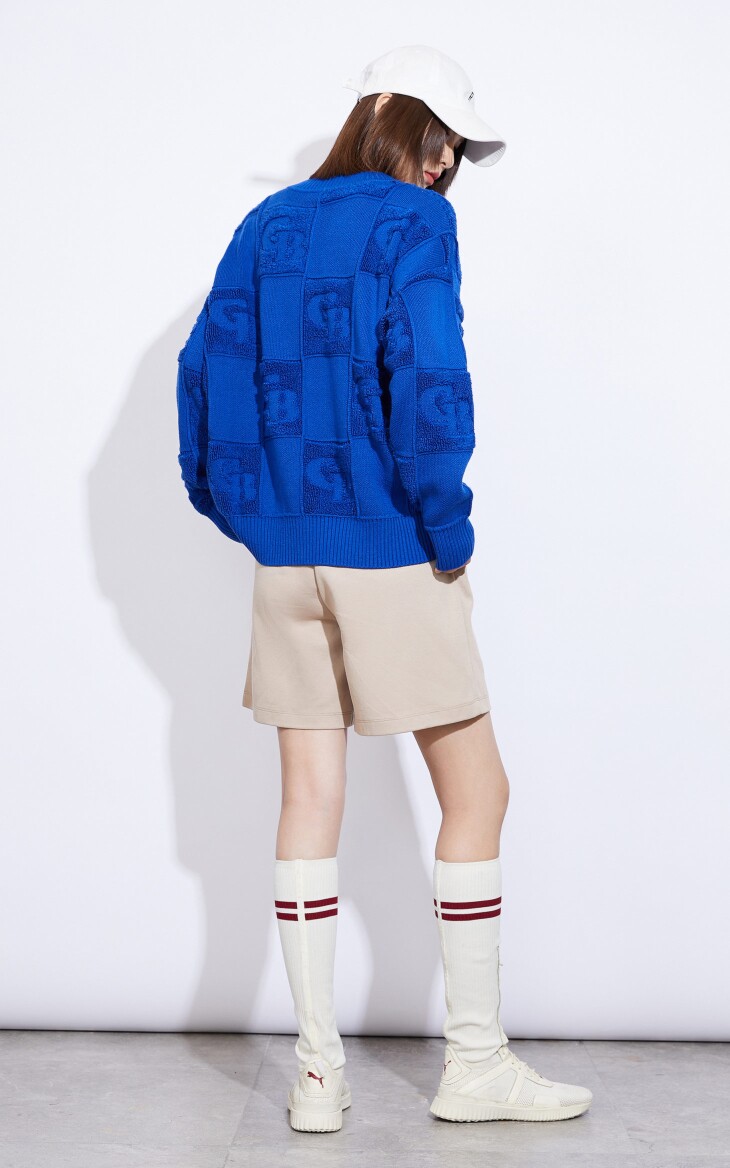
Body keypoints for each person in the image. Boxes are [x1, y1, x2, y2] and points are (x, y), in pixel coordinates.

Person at [176, 44, 593, 1133]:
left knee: (307, 802)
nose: (447, 168)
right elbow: (430, 379)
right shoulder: (416, 223)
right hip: (391, 552)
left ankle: (317, 1080)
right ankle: (476, 1065)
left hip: (286, 563)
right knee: (479, 793)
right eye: (445, 144)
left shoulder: (265, 224)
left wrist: (249, 515)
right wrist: (446, 529)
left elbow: (201, 375)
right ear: (410, 127)